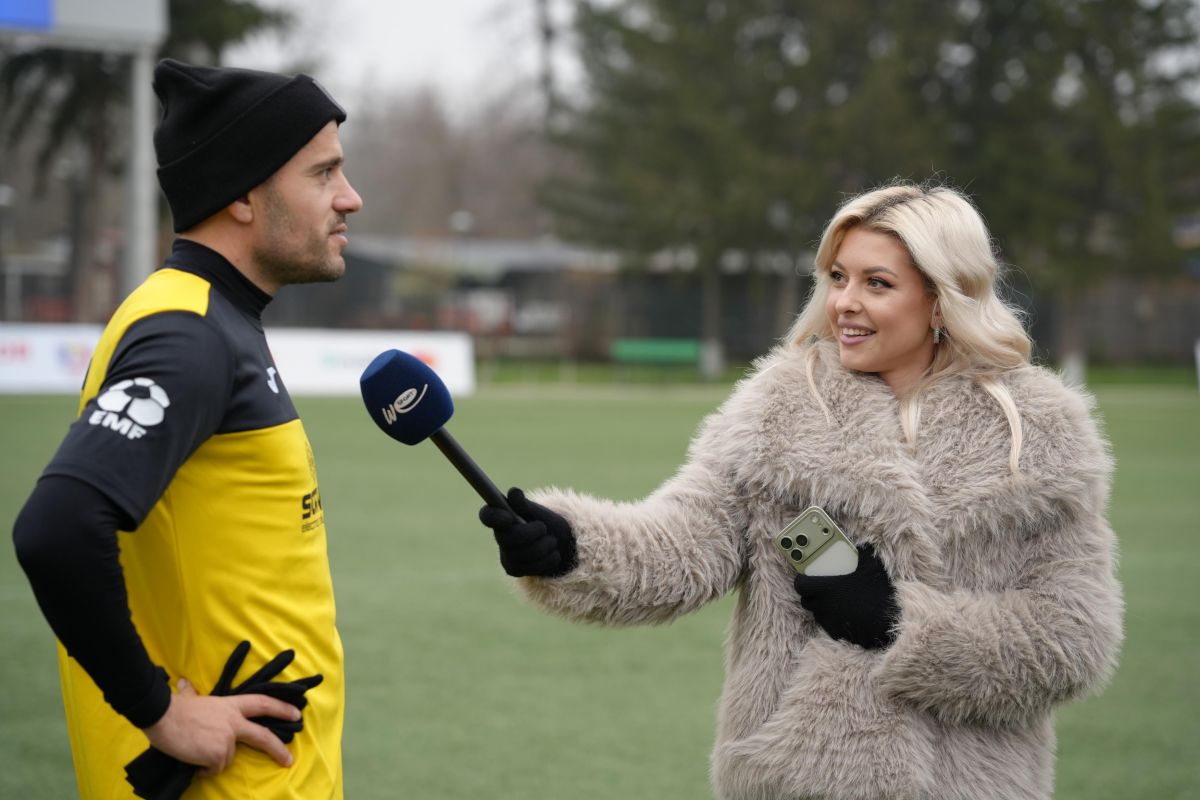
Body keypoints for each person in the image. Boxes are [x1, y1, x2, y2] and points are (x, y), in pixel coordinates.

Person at [479, 182, 1123, 800]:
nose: (845, 302)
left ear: (940, 299)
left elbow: (1072, 639)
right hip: (797, 780)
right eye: (838, 277)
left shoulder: (1037, 433)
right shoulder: (779, 408)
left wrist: (900, 624)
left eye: (877, 283)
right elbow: (681, 545)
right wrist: (570, 546)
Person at [12, 58, 363, 799]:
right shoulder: (189, 331)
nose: (350, 198)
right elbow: (57, 526)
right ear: (242, 194)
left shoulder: (213, 318)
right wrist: (160, 711)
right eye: (323, 174)